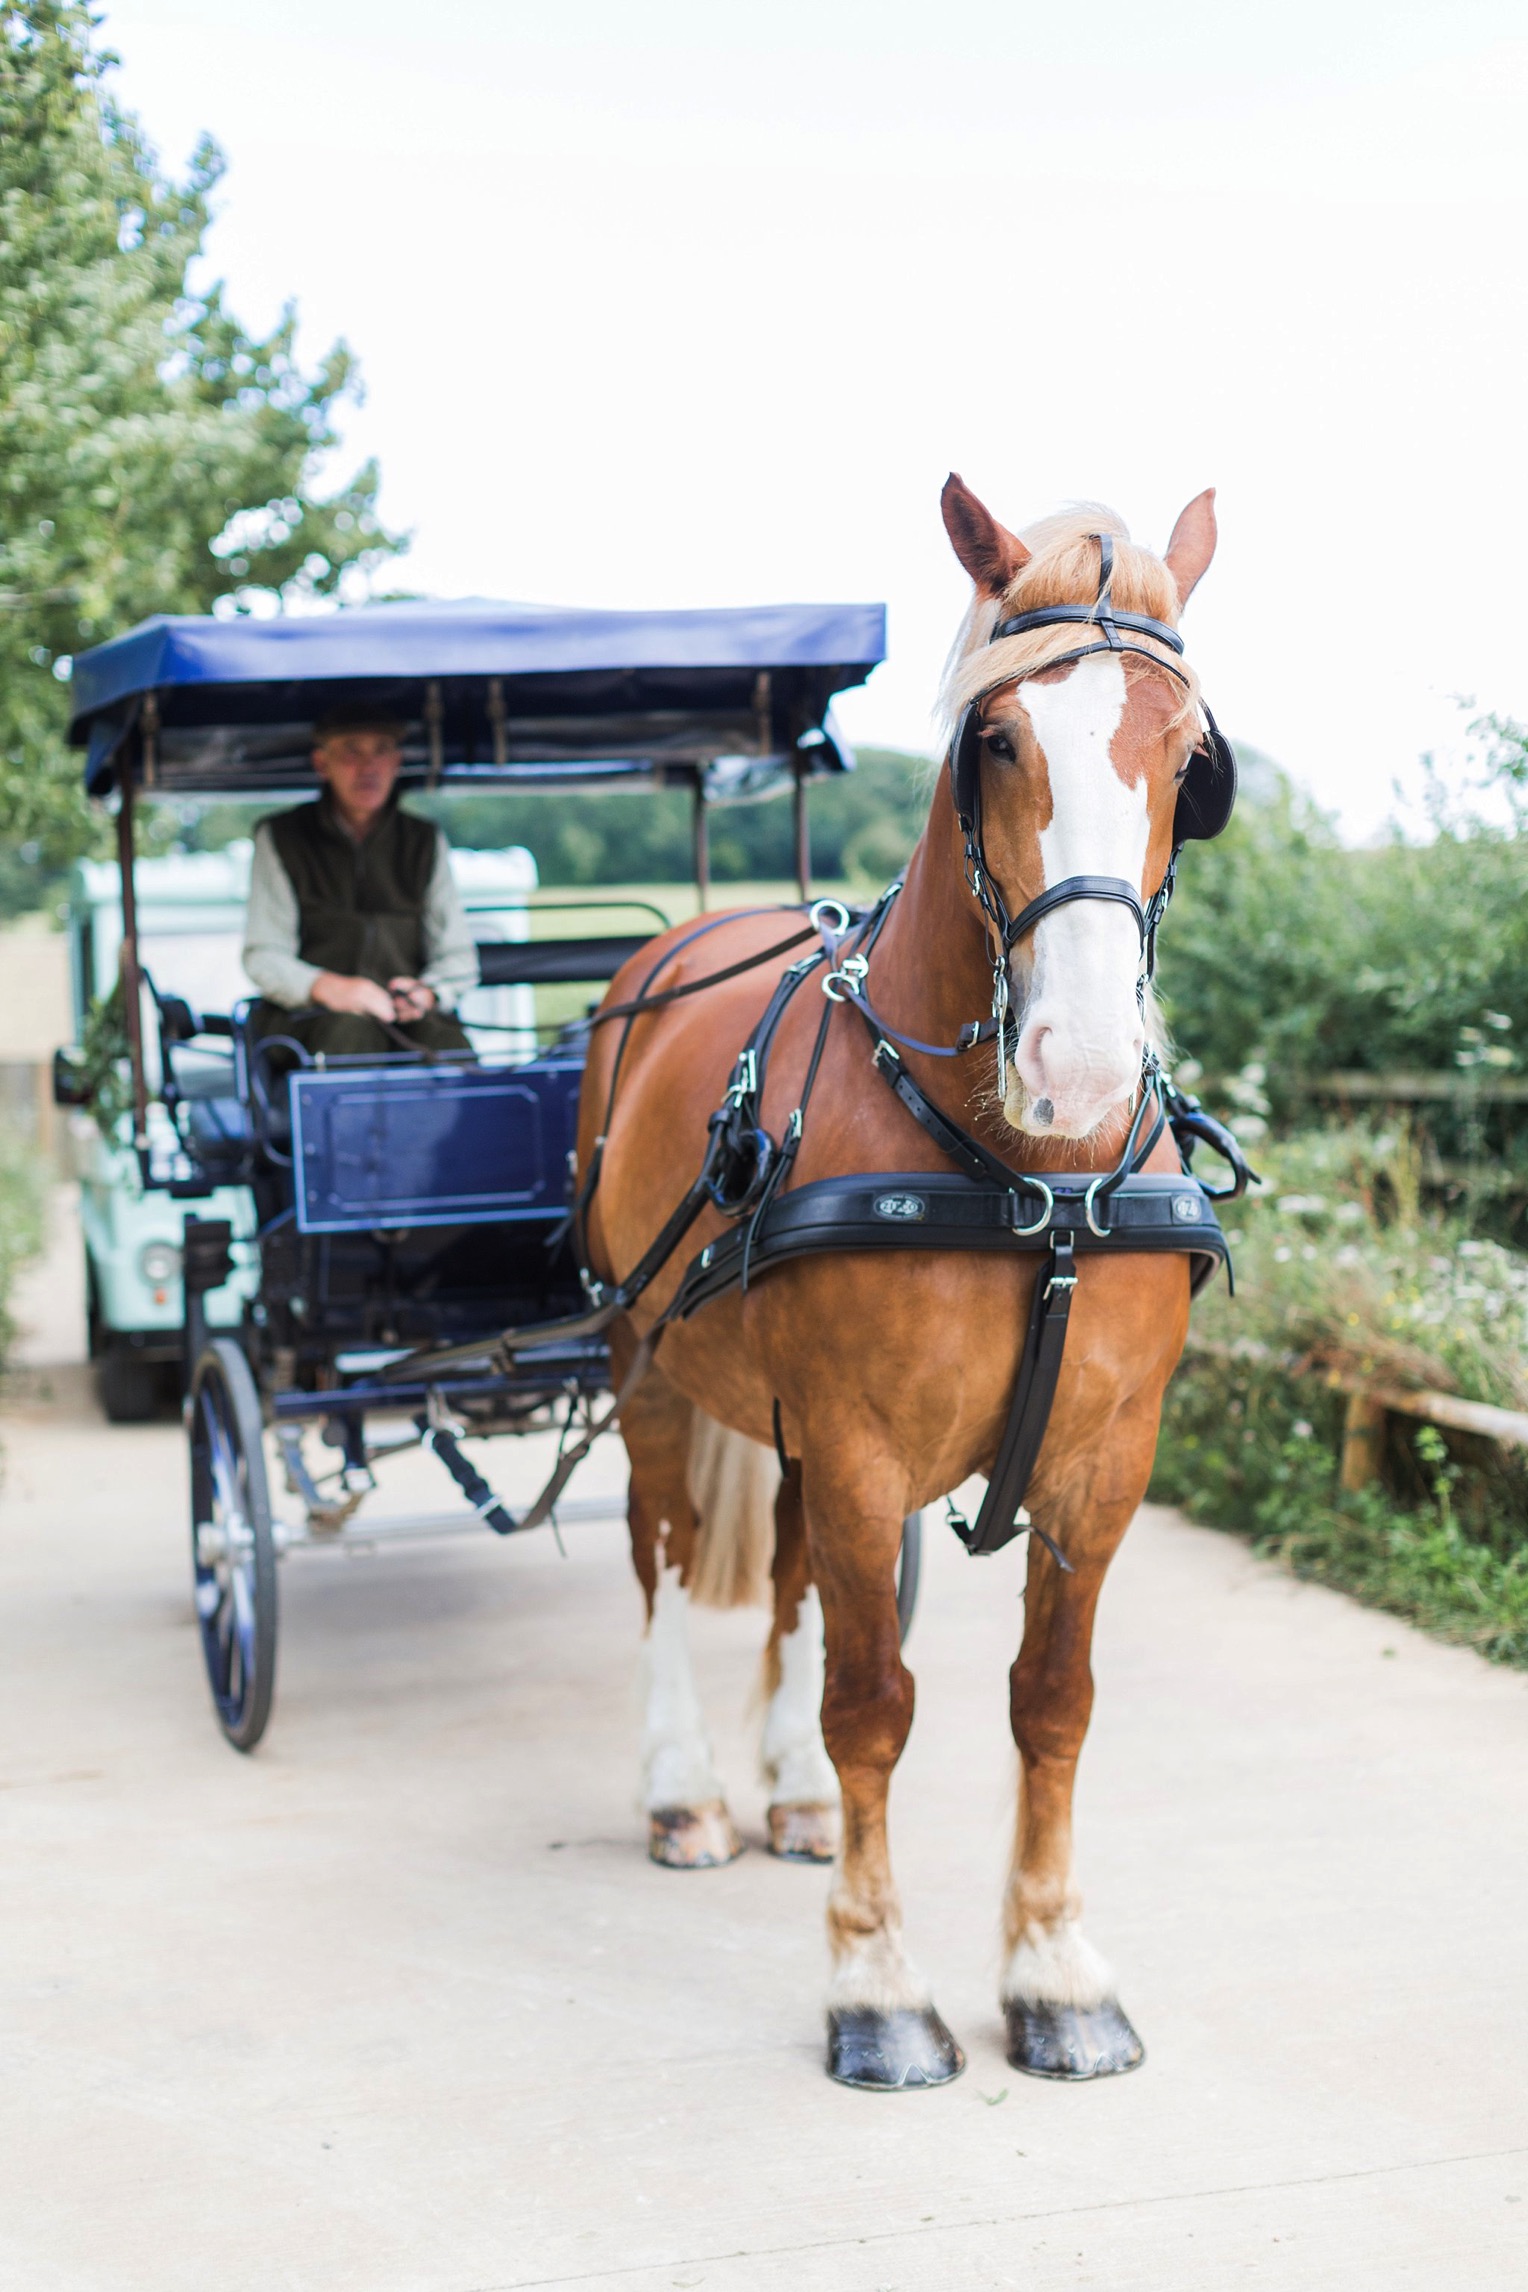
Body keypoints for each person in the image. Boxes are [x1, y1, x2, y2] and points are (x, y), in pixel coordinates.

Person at [242, 704, 477, 1057]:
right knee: (351, 1035)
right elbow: (265, 955)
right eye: (352, 750)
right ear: (322, 763)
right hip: (311, 1019)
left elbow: (457, 956)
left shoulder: (424, 840)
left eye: (381, 751)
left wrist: (427, 992)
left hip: (404, 1016)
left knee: (447, 1045)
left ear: (396, 762)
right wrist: (328, 988)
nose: (368, 767)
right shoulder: (281, 837)